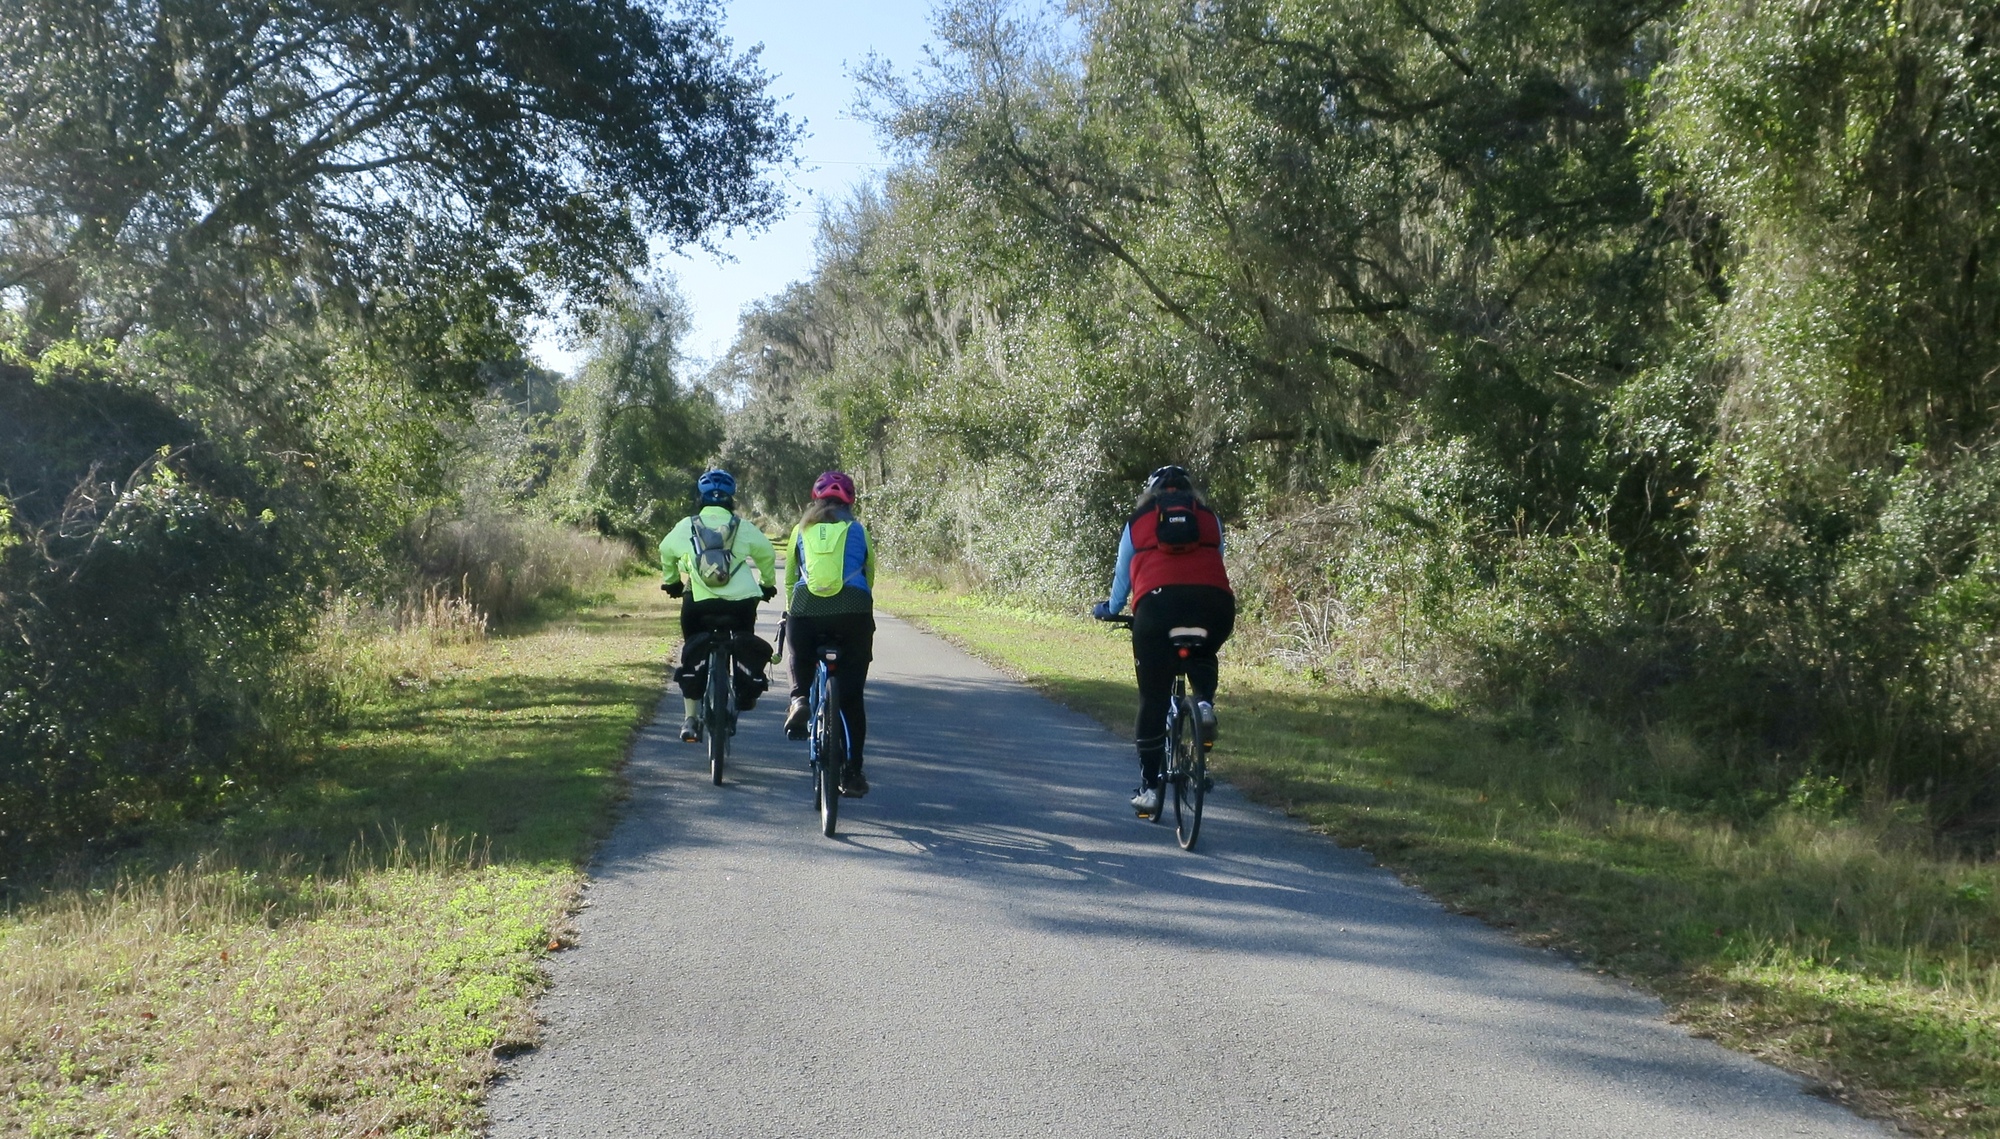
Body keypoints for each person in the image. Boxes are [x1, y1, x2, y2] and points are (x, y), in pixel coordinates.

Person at [1092, 465, 1235, 816]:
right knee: (1204, 652)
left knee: (1153, 700)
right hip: (1213, 606)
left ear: (1150, 493)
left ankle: (1150, 789)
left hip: (1157, 608)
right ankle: (1203, 704)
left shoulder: (1137, 522)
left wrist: (1109, 609)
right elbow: (1215, 561)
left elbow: (1122, 579)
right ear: (1190, 493)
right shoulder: (1210, 519)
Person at [660, 468, 778, 743]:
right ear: (730, 499)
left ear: (700, 498)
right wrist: (767, 584)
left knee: (692, 651)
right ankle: (742, 688)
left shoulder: (686, 525)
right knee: (743, 640)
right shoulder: (743, 527)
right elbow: (767, 554)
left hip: (698, 604)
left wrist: (673, 582)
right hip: (740, 605)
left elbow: (666, 550)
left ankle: (690, 718)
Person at [781, 470, 877, 797]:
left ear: (815, 501)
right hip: (853, 614)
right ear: (849, 502)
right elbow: (870, 575)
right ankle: (852, 772)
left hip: (807, 611)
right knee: (851, 699)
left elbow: (791, 578)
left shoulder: (800, 530)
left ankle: (799, 699)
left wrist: (792, 609)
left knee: (799, 654)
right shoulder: (857, 530)